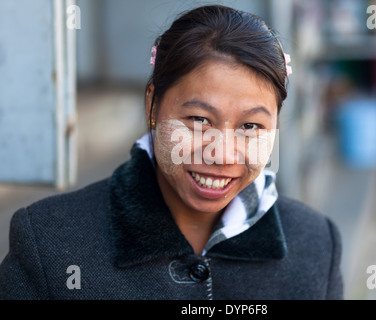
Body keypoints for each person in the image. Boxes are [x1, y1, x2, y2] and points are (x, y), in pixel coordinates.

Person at [0, 4, 343, 300]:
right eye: (198, 120)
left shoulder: (315, 244)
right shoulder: (49, 243)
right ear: (152, 105)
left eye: (250, 127)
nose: (222, 154)